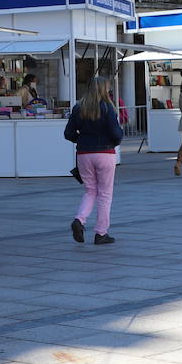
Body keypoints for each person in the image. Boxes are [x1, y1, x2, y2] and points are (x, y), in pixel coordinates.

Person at [64, 76, 123, 245]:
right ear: (104, 89)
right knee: (105, 194)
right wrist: (114, 142)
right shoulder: (107, 108)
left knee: (90, 190)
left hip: (84, 154)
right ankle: (101, 233)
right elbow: (116, 133)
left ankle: (80, 220)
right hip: (105, 152)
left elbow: (68, 133)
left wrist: (82, 140)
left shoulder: (78, 108)